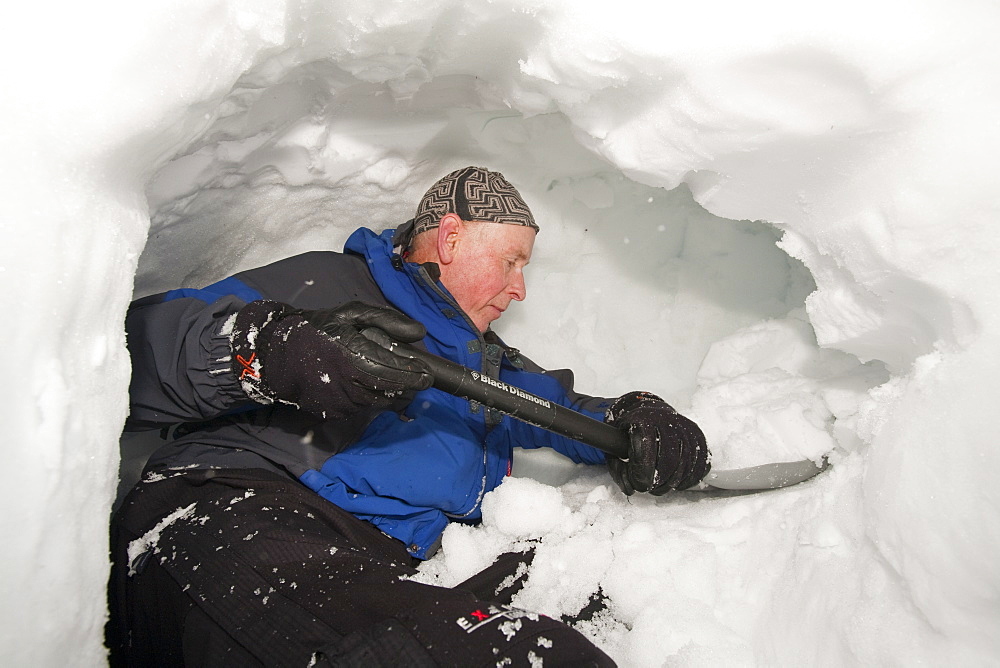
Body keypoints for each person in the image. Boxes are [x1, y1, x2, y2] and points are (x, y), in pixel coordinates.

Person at [108, 166, 711, 666]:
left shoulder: (486, 362)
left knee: (591, 610)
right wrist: (271, 349)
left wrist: (635, 421)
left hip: (391, 563)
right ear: (450, 238)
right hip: (237, 513)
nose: (520, 288)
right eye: (511, 262)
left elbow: (562, 412)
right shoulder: (331, 286)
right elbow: (124, 353)